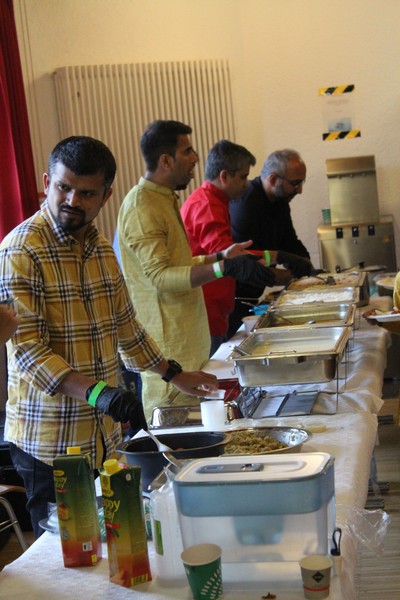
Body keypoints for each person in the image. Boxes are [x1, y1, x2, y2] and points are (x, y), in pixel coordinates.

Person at [0, 135, 219, 538]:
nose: (72, 200)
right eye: (63, 188)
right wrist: (101, 394)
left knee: (109, 544)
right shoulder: (21, 249)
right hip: (50, 443)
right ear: (46, 183)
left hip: (102, 436)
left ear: (106, 195)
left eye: (86, 193)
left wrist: (174, 374)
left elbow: (127, 328)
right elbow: (29, 351)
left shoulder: (101, 250)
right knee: (66, 555)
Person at [117, 120, 278, 417]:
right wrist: (223, 267)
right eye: (187, 151)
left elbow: (177, 264)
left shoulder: (162, 198)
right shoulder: (142, 206)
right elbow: (160, 277)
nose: (195, 159)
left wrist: (218, 256)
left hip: (188, 342)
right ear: (166, 161)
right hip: (168, 350)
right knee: (172, 429)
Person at [181, 140, 308, 355]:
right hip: (206, 312)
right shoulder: (207, 205)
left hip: (217, 308)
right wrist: (282, 274)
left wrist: (278, 256)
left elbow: (235, 252)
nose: (247, 184)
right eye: (243, 177)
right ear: (224, 176)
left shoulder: (215, 201)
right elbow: (232, 260)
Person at [228, 148, 314, 336]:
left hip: (253, 291)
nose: (300, 190)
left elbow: (289, 241)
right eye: (295, 183)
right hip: (233, 297)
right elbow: (251, 265)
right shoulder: (247, 204)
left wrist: (308, 267)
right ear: (273, 179)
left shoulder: (280, 200)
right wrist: (293, 278)